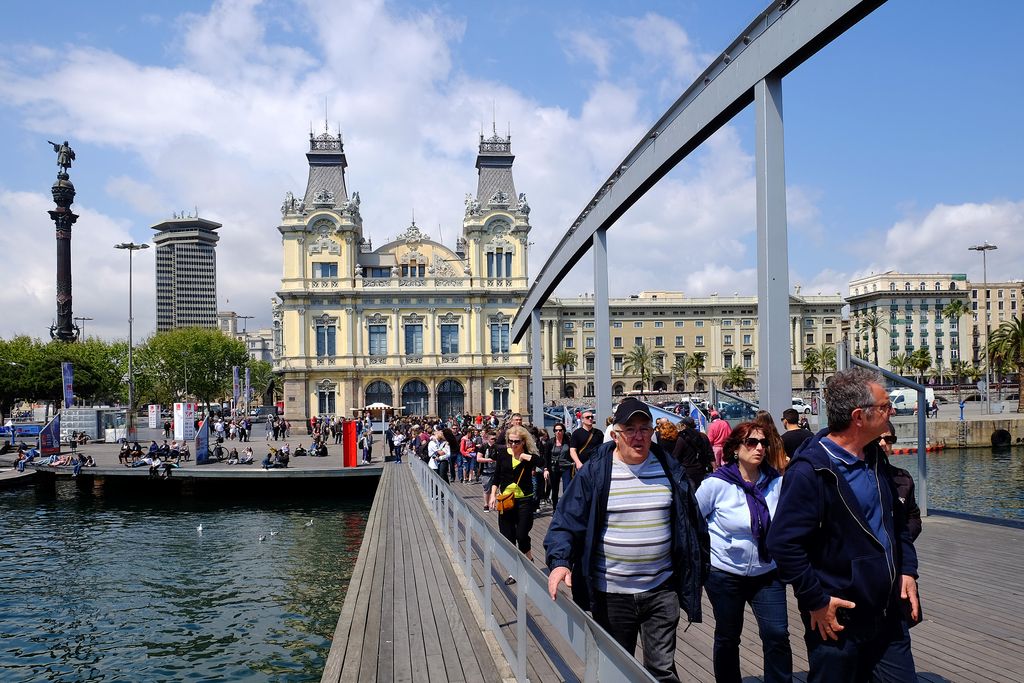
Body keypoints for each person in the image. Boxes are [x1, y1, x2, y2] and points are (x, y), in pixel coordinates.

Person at [767, 368, 920, 682]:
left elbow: (896, 521)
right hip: (837, 616)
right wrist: (816, 599)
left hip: (888, 612)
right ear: (858, 417)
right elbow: (782, 542)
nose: (890, 411)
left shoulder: (875, 458)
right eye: (884, 406)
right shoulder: (811, 471)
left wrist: (908, 570)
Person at [545, 398, 710, 682]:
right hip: (611, 594)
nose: (638, 436)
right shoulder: (596, 472)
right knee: (614, 671)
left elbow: (693, 525)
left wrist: (701, 569)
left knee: (662, 670)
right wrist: (560, 561)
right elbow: (566, 520)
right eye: (630, 429)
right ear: (616, 434)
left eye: (644, 429)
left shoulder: (670, 470)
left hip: (661, 589)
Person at [696, 421, 791, 683]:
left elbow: (788, 522)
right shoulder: (716, 484)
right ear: (736, 449)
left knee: (777, 634)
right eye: (751, 442)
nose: (759, 447)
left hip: (767, 572)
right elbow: (694, 521)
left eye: (763, 442)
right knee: (728, 635)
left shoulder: (777, 483)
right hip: (725, 573)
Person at [491, 425, 538, 575]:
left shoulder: (528, 454)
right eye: (510, 441)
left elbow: (542, 462)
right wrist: (493, 495)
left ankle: (529, 558)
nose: (513, 444)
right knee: (508, 537)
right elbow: (497, 476)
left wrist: (526, 457)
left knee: (522, 535)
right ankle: (514, 571)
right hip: (506, 500)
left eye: (516, 442)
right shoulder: (504, 454)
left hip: (524, 500)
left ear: (523, 441)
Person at [877, 421, 922, 542]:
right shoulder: (857, 476)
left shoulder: (904, 479)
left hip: (900, 552)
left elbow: (913, 517)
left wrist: (903, 540)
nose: (882, 443)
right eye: (877, 439)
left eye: (888, 439)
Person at [545, 422, 572, 510]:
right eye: (556, 430)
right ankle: (555, 509)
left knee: (567, 489)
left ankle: (565, 509)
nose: (558, 432)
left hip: (566, 467)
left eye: (560, 430)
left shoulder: (568, 442)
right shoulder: (550, 442)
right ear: (554, 432)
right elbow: (546, 457)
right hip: (554, 468)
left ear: (563, 431)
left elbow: (573, 453)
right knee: (555, 490)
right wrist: (546, 469)